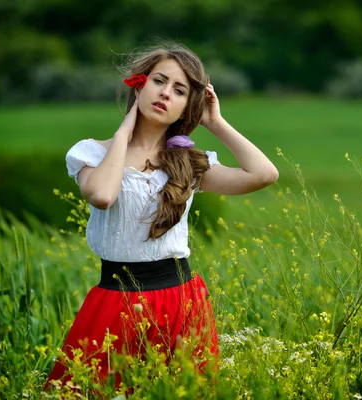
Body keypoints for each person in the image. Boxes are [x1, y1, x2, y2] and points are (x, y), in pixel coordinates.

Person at [45, 41, 279, 391]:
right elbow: (103, 195)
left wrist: (216, 122)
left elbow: (264, 174)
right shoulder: (91, 153)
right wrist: (124, 133)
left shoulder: (189, 164)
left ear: (188, 106)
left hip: (181, 301)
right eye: (159, 81)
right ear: (139, 84)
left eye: (180, 90)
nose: (166, 93)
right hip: (114, 300)